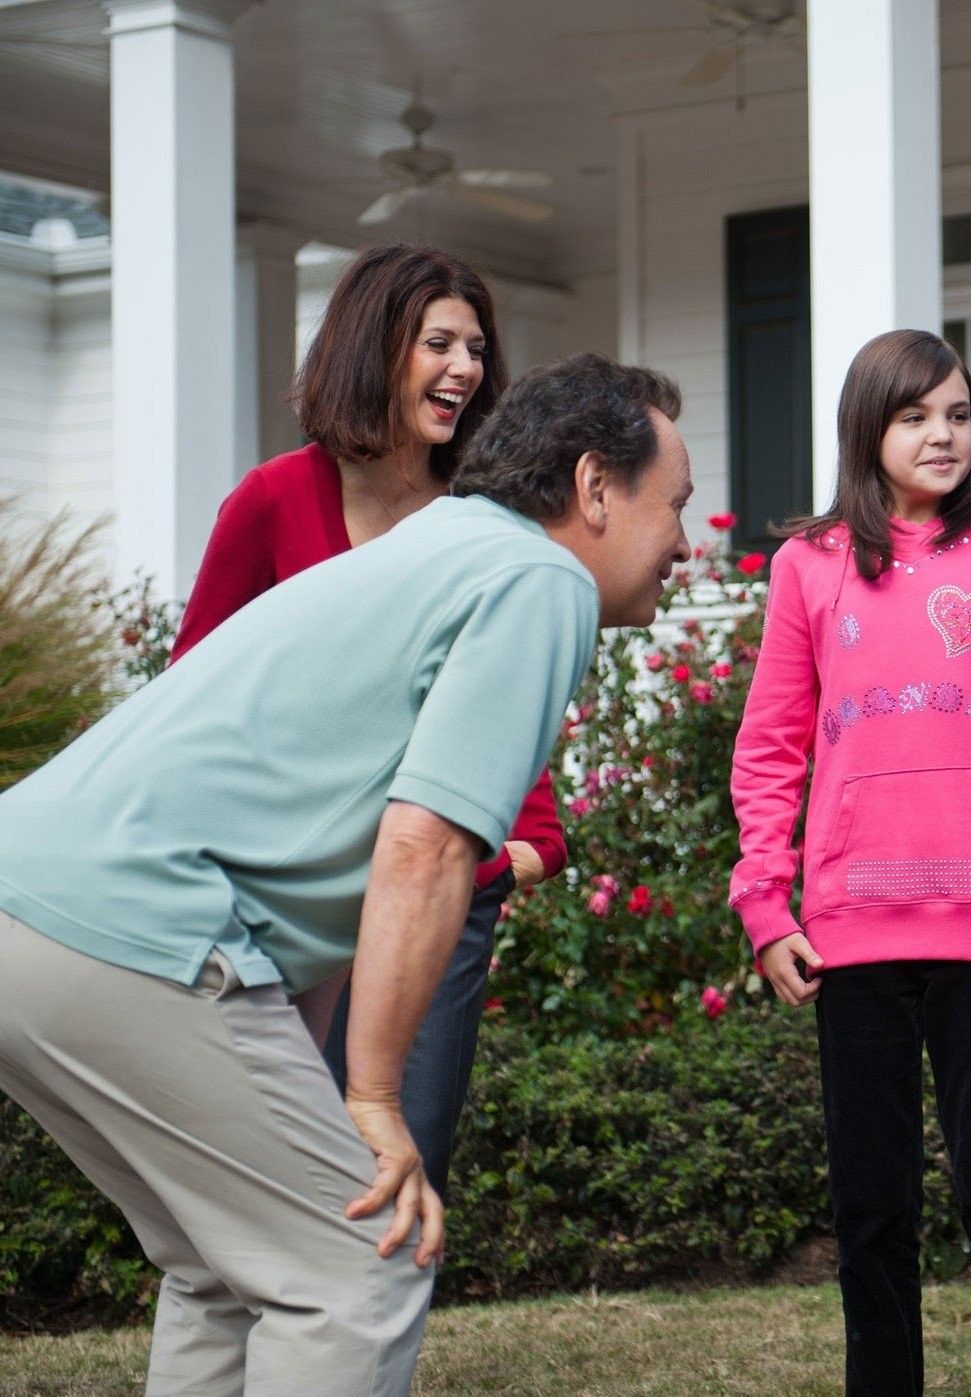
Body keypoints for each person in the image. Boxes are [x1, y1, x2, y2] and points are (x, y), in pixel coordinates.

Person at [0, 354, 693, 1392]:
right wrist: (370, 1097)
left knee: (230, 1261)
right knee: (356, 1263)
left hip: (32, 902)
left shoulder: (448, 544)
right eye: (675, 503)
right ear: (594, 487)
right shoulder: (538, 578)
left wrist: (332, 1083)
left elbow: (334, 858)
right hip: (132, 923)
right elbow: (424, 847)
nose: (686, 539)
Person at [730, 329, 971, 1396]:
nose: (941, 434)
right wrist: (766, 903)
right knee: (872, 1202)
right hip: (850, 935)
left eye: (956, 414)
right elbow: (769, 745)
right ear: (868, 428)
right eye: (914, 415)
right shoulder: (808, 564)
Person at [171, 242, 565, 1197]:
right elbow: (191, 693)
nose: (466, 368)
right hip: (285, 889)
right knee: (273, 1173)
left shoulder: (485, 521)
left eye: (476, 348)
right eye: (440, 342)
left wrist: (521, 848)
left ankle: (370, 1348)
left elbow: (506, 701)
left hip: (434, 884)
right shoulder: (270, 501)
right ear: (376, 347)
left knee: (401, 1160)